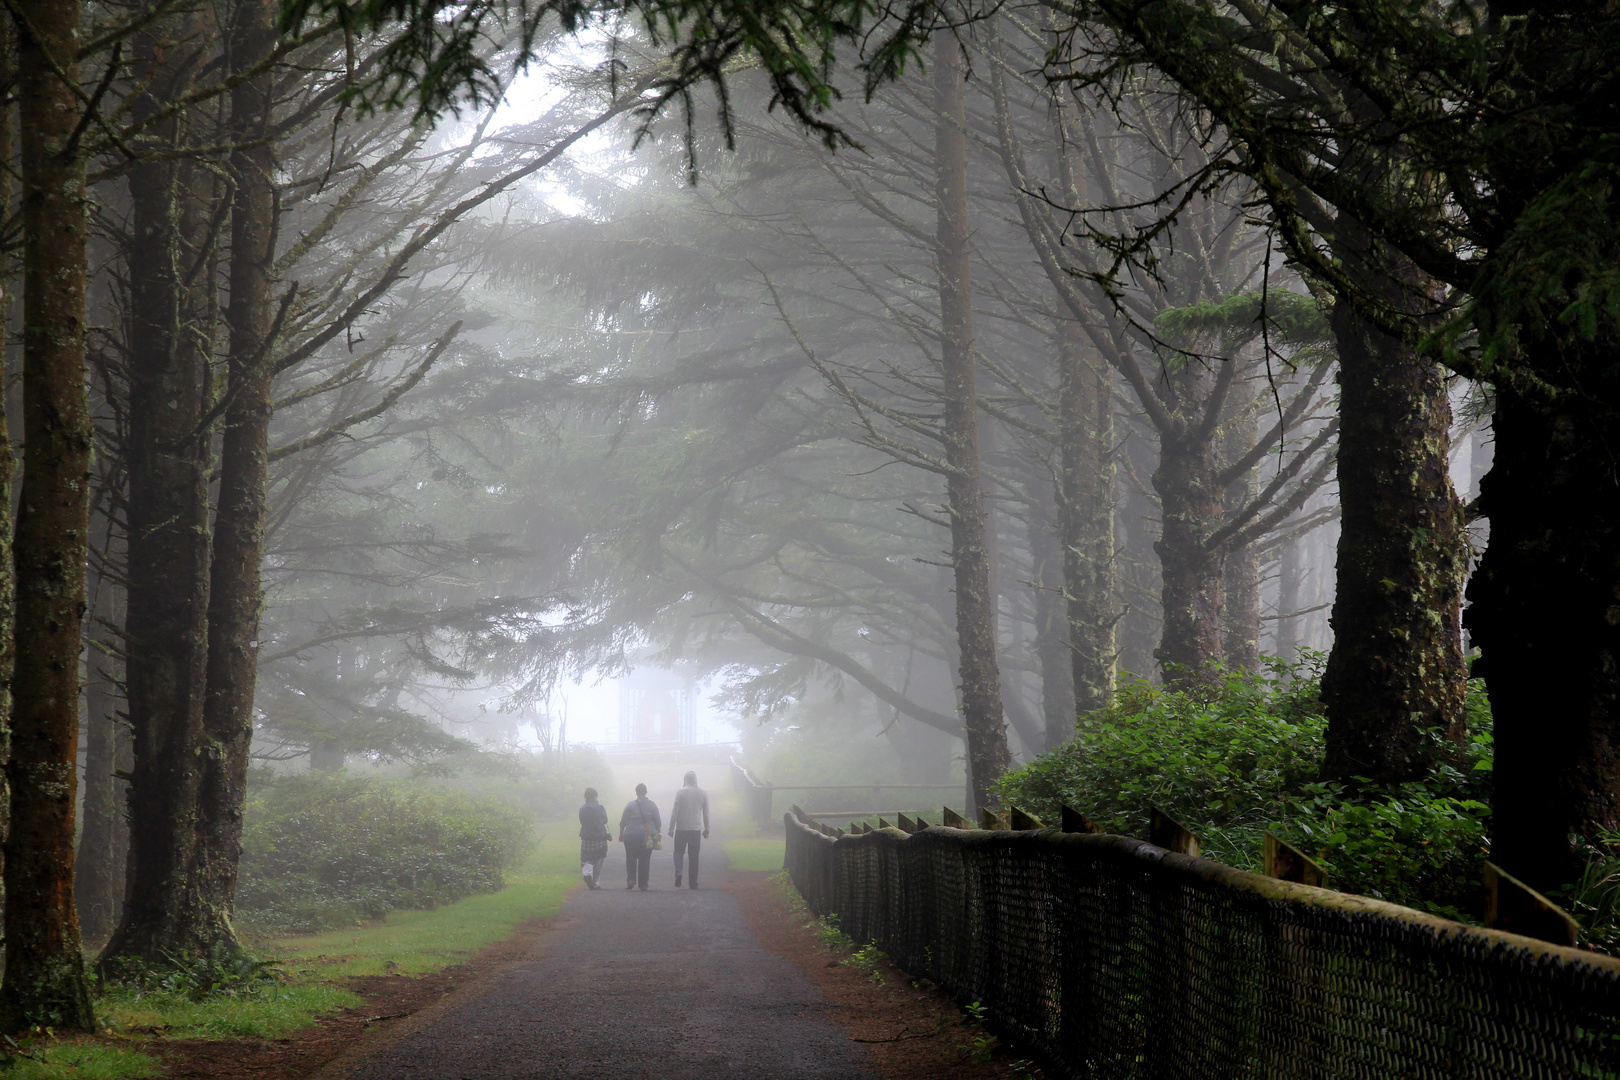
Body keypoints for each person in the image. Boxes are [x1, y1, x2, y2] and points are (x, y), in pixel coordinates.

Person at [669, 770, 710, 889]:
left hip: (681, 829)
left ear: (684, 780)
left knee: (678, 852)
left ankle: (679, 871)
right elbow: (706, 814)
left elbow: (675, 812)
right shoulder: (702, 793)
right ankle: (693, 882)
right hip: (695, 829)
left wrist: (671, 828)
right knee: (694, 856)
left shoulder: (680, 793)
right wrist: (707, 829)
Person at [618, 783, 660, 891]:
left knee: (631, 857)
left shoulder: (630, 805)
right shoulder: (652, 805)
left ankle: (631, 880)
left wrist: (621, 834)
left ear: (636, 792)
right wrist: (658, 833)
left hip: (631, 834)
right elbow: (657, 822)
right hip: (647, 835)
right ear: (646, 792)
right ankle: (643, 884)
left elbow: (623, 822)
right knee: (645, 860)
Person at [578, 787, 609, 890]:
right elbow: (605, 821)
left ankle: (587, 874)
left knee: (587, 858)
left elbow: (582, 821)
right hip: (599, 837)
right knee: (598, 860)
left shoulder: (582, 809)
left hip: (587, 837)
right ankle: (595, 882)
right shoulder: (600, 808)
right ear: (595, 796)